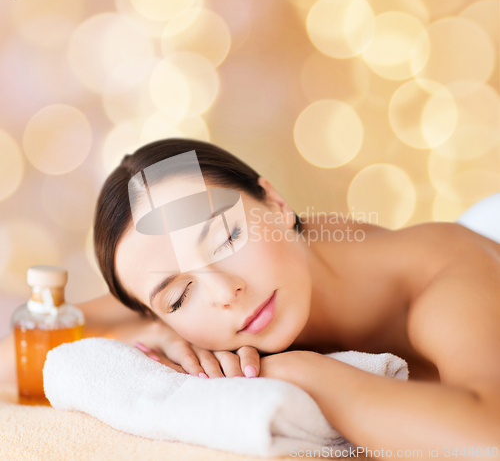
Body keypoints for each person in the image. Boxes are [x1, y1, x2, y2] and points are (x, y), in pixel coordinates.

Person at [1, 138, 499, 454]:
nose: (224, 292)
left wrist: (302, 371)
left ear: (278, 205)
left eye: (227, 238)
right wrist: (157, 331)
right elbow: (14, 353)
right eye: (177, 298)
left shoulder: (442, 274)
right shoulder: (182, 308)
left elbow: (486, 438)